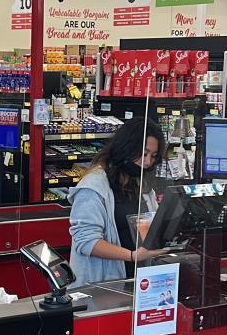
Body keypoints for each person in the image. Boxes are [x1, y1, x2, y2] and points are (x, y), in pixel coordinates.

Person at [68, 117, 169, 286]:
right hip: (101, 287)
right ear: (126, 148)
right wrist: (131, 256)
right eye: (143, 154)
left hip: (140, 282)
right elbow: (86, 242)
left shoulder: (141, 184)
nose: (147, 162)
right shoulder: (93, 187)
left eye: (153, 156)